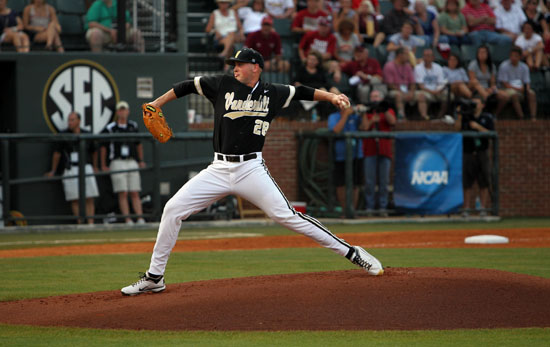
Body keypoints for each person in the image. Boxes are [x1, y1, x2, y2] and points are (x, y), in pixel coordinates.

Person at [120, 47, 383, 295]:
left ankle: (352, 252)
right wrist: (158, 101)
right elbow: (187, 86)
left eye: (240, 64)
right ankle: (155, 278)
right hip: (218, 168)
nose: (235, 68)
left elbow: (302, 92)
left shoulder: (273, 92)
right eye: (233, 64)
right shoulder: (222, 84)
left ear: (255, 67)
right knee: (173, 209)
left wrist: (332, 97)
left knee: (287, 216)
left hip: (251, 168)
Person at [45, 112, 99, 225]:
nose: (70, 122)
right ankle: (80, 223)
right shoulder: (63, 134)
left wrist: (95, 166)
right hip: (70, 168)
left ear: (79, 121)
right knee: (74, 197)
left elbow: (94, 151)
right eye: (69, 120)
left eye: (72, 120)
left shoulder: (86, 134)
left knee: (89, 197)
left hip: (86, 167)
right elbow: (57, 154)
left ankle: (91, 224)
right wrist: (53, 170)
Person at [100, 101, 147, 225]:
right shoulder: (110, 128)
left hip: (131, 161)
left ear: (128, 111)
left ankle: (140, 218)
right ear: (117, 112)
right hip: (117, 162)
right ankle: (127, 219)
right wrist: (103, 164)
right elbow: (103, 147)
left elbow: (138, 144)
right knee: (123, 192)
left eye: (124, 109)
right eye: (120, 110)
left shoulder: (133, 126)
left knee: (135, 191)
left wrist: (141, 160)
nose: (122, 112)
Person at [454, 96, 494, 217]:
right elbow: (457, 130)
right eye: (473, 104)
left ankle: (483, 208)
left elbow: (491, 133)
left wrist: (478, 127)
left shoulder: (487, 118)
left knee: (484, 181)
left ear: (483, 105)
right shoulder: (466, 116)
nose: (474, 106)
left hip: (482, 152)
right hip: (468, 152)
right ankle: (466, 208)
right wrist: (460, 116)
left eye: (476, 103)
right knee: (467, 182)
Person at [360, 90, 395, 217]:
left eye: (376, 97)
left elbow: (392, 122)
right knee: (370, 182)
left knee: (384, 182)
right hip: (370, 151)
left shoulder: (387, 110)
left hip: (384, 151)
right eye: (372, 97)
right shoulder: (368, 112)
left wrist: (383, 109)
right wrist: (371, 120)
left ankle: (382, 208)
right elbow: (363, 127)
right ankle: (370, 208)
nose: (374, 100)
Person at [328, 104, 364, 215]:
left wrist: (364, 113)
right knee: (341, 184)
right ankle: (345, 210)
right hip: (340, 155)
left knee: (355, 184)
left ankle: (353, 210)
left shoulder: (355, 117)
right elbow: (336, 130)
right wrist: (345, 116)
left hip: (356, 154)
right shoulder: (333, 116)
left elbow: (365, 127)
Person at [383, 46, 428, 120]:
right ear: (399, 55)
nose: (408, 57)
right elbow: (390, 84)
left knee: (421, 95)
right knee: (398, 95)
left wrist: (411, 92)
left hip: (407, 91)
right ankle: (402, 117)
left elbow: (412, 82)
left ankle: (424, 117)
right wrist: (402, 92)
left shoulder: (408, 66)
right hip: (394, 91)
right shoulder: (389, 66)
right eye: (407, 54)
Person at [497, 46, 537, 120]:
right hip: (507, 89)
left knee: (532, 94)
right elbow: (505, 84)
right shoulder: (504, 66)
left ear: (520, 57)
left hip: (521, 88)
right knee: (514, 94)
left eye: (516, 56)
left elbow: (527, 82)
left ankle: (533, 117)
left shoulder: (524, 67)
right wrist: (519, 89)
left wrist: (526, 89)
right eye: (512, 56)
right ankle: (521, 117)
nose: (513, 58)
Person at [467, 45, 509, 115]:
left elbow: (493, 83)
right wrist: (485, 90)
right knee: (476, 82)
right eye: (480, 52)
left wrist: (491, 88)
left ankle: (495, 114)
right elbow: (472, 80)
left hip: (487, 89)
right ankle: (486, 99)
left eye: (484, 52)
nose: (482, 54)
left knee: (505, 96)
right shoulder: (473, 64)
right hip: (475, 89)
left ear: (488, 54)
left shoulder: (492, 66)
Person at [298, 17, 342, 82]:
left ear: (329, 27)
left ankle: (330, 84)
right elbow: (300, 48)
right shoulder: (310, 34)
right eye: (321, 26)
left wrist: (315, 58)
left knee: (335, 64)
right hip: (309, 60)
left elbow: (329, 55)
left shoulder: (332, 38)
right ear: (318, 26)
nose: (323, 28)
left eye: (325, 26)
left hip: (323, 61)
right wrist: (303, 58)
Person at [415, 48, 449, 119]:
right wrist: (433, 92)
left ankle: (440, 116)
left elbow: (441, 83)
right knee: (421, 96)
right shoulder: (418, 68)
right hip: (425, 90)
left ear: (433, 57)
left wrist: (438, 90)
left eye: (428, 56)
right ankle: (424, 117)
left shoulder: (438, 67)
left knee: (447, 94)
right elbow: (421, 86)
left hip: (437, 90)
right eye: (424, 55)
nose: (426, 58)